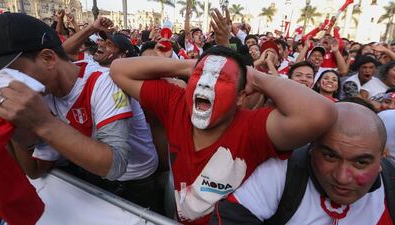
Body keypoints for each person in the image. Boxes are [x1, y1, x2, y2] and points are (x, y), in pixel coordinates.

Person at [110, 9, 337, 224]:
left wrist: (255, 77)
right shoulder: (177, 104)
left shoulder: (252, 128)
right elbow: (119, 69)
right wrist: (188, 66)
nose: (206, 83)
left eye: (222, 79)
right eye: (200, 76)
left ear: (240, 97)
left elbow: (321, 114)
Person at [0, 13, 160, 212]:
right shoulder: (41, 91)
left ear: (48, 59)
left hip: (136, 181)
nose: (2, 86)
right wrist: (14, 124)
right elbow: (33, 169)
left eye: (5, 74)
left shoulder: (103, 82)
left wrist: (44, 123)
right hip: (92, 177)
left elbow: (116, 164)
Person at [212, 102, 394, 225]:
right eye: (330, 157)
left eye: (361, 162)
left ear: (382, 156)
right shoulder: (281, 171)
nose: (342, 177)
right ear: (311, 148)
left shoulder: (391, 184)